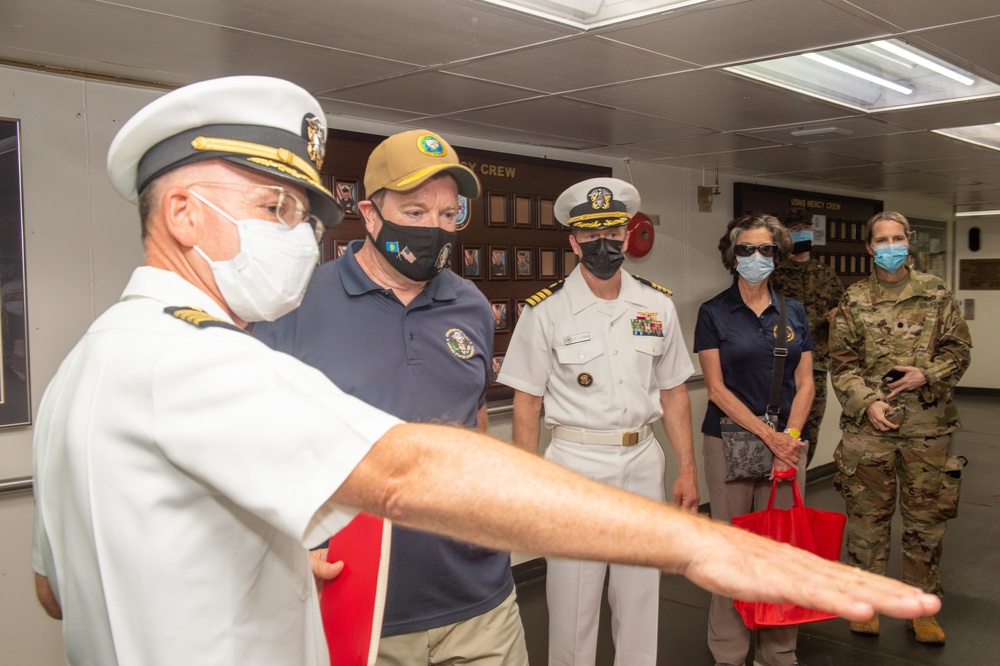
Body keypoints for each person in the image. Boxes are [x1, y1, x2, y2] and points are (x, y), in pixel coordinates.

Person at [31, 75, 943, 666]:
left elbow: (54, 584)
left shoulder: (99, 359)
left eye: (299, 208)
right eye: (273, 204)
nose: (295, 231)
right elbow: (409, 466)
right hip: (370, 617)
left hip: (471, 598)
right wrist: (708, 544)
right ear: (185, 215)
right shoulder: (183, 359)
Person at [253, 129, 530, 666]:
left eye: (449, 215)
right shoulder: (297, 305)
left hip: (480, 598)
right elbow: (260, 439)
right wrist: (291, 537)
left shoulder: (469, 304)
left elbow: (470, 417)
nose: (436, 228)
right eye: (416, 211)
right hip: (361, 602)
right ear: (370, 214)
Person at [498, 177, 698, 666]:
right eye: (590, 235)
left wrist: (687, 470)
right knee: (573, 601)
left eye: (612, 231)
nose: (603, 244)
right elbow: (527, 401)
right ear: (573, 242)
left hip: (642, 460)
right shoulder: (545, 312)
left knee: (639, 595)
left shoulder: (656, 304)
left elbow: (673, 391)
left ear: (628, 234)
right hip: (575, 463)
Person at [828, 211, 972, 645]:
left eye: (898, 238)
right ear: (870, 248)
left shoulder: (936, 293)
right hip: (869, 429)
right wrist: (868, 403)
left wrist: (925, 374)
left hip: (927, 426)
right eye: (882, 240)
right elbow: (842, 363)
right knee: (867, 520)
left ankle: (919, 607)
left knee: (925, 522)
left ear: (909, 242)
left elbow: (959, 349)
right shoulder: (853, 298)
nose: (891, 246)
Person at [694, 213, 814, 666]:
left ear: (778, 255)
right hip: (728, 442)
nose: (756, 258)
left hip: (787, 442)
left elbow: (806, 383)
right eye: (746, 249)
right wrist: (771, 436)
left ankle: (778, 650)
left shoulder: (795, 311)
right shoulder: (713, 312)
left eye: (766, 250)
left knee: (781, 551)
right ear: (732, 255)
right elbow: (717, 389)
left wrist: (792, 437)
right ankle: (729, 651)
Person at [769, 207, 843, 465]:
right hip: (781, 367)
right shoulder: (774, 276)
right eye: (794, 230)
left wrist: (837, 317)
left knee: (810, 428)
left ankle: (799, 477)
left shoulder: (826, 274)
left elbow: (843, 315)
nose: (802, 234)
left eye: (805, 228)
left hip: (817, 365)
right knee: (780, 425)